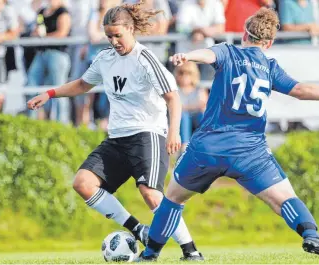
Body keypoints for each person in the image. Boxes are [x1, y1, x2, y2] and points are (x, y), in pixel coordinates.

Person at [138, 7, 319, 261]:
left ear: (244, 33)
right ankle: (311, 234)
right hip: (250, 151)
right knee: (285, 199)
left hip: (208, 148)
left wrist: (188, 55)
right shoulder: (269, 66)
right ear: (268, 43)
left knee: (174, 199)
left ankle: (149, 254)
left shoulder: (228, 51)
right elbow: (300, 90)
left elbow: (208, 54)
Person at [27, 1, 203, 261]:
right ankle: (139, 230)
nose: (113, 41)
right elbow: (82, 84)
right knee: (83, 183)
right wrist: (50, 93)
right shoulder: (105, 58)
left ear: (131, 29)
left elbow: (173, 97)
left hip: (148, 134)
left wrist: (174, 133)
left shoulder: (145, 59)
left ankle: (191, 250)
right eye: (109, 36)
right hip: (117, 138)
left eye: (117, 35)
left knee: (152, 195)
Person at [175, 62, 208, 153]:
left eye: (188, 73)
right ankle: (184, 146)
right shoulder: (175, 90)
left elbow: (203, 106)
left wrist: (187, 107)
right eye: (181, 72)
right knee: (184, 116)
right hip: (182, 119)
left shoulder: (199, 89)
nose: (184, 76)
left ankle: (204, 143)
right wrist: (194, 106)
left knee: (202, 115)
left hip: (196, 117)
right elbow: (177, 108)